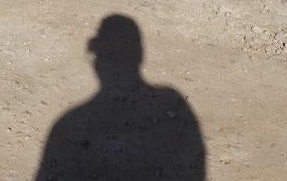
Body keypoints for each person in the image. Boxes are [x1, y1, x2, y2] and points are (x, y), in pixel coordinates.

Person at [33, 14, 206, 181]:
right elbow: (195, 166)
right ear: (139, 54)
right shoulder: (172, 104)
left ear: (97, 60)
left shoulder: (70, 125)